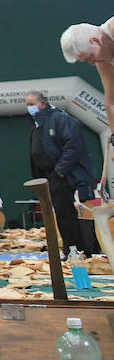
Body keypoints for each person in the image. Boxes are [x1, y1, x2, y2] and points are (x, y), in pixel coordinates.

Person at [27, 90, 97, 257]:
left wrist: (60, 170)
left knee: (67, 213)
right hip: (48, 176)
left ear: (42, 104)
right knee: (60, 214)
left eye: (31, 104)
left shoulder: (60, 118)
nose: (28, 108)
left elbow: (73, 145)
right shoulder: (39, 123)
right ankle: (69, 247)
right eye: (27, 104)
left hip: (63, 175)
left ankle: (78, 249)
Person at [60, 20, 114, 153]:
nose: (91, 63)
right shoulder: (103, 58)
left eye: (90, 57)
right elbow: (111, 101)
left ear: (95, 41)